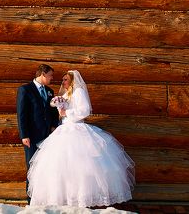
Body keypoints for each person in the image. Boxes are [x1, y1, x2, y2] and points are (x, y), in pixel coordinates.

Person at [27, 70, 135, 207]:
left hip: (77, 129)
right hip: (63, 129)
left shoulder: (78, 92)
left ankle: (82, 198)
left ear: (72, 80)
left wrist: (67, 112)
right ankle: (66, 199)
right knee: (59, 165)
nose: (62, 82)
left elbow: (85, 110)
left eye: (65, 79)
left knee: (81, 165)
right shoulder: (65, 94)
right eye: (62, 80)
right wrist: (60, 110)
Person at [16, 64, 58, 200]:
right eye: (50, 75)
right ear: (43, 74)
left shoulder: (50, 91)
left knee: (46, 167)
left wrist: (53, 126)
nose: (52, 78)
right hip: (32, 136)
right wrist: (24, 135)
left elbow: (53, 112)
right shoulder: (25, 89)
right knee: (32, 168)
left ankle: (44, 198)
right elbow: (21, 114)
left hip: (48, 137)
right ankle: (31, 200)